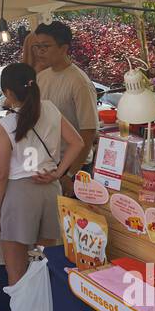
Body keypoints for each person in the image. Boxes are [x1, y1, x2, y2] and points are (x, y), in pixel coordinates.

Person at [0, 63, 84, 311]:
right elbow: (77, 143)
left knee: (15, 270)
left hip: (20, 196)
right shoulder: (51, 109)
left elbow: (1, 172)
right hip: (49, 194)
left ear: (7, 92)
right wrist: (57, 173)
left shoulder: (5, 125)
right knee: (46, 265)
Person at [31, 22, 99, 196]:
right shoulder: (41, 77)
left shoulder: (79, 83)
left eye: (45, 46)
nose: (40, 51)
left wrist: (70, 174)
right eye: (37, 46)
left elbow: (88, 132)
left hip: (73, 166)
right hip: (47, 162)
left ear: (64, 48)